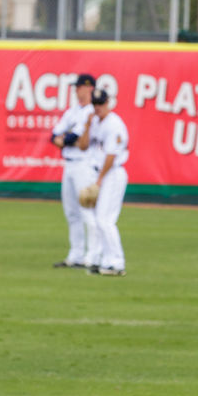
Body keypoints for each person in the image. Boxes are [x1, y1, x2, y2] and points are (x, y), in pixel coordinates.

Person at [49, 72, 96, 269]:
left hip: (85, 164)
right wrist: (65, 139)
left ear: (90, 88)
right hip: (69, 164)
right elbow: (54, 135)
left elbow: (72, 137)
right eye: (76, 87)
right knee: (71, 212)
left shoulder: (92, 111)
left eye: (80, 87)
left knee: (87, 211)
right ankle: (76, 255)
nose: (77, 90)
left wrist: (66, 139)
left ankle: (92, 255)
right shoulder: (73, 111)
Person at [82, 87, 130, 276]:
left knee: (105, 220)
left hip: (113, 173)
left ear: (108, 103)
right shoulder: (95, 122)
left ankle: (117, 262)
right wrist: (86, 126)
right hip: (100, 174)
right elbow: (85, 146)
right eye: (95, 104)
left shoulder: (114, 124)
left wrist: (99, 180)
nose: (98, 107)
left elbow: (111, 155)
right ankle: (106, 260)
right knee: (99, 219)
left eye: (101, 103)